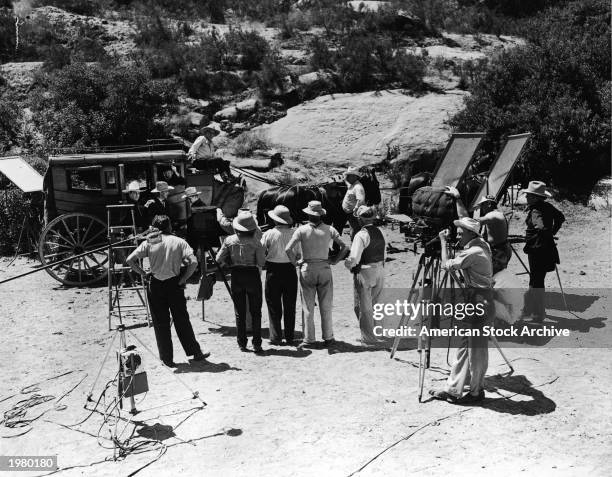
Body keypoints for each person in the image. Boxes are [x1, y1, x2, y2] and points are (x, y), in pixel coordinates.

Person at [126, 215, 209, 367]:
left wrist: (143, 274)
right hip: (174, 284)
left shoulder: (151, 241)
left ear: (154, 228)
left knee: (160, 322)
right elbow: (194, 262)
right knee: (182, 319)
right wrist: (184, 279)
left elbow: (129, 260)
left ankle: (167, 359)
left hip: (156, 284)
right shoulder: (179, 241)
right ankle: (195, 352)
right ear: (169, 226)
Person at [430, 217, 494, 405]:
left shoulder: (473, 252)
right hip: (482, 300)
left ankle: (471, 392)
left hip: (477, 302)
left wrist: (442, 241)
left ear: (470, 234)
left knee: (471, 349)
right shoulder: (482, 246)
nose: (457, 235)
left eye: (460, 232)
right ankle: (461, 388)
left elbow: (446, 265)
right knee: (471, 348)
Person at [285, 201, 348, 348]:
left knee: (308, 307)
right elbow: (345, 247)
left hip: (307, 267)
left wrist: (295, 262)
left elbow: (288, 249)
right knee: (326, 305)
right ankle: (328, 337)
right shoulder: (329, 229)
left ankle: (309, 339)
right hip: (324, 267)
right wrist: (335, 260)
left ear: (308, 213)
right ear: (321, 214)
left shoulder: (301, 230)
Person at [216, 211, 266, 353]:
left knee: (240, 312)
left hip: (237, 275)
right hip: (252, 275)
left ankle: (242, 343)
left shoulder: (229, 240)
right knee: (256, 312)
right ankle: (257, 343)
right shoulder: (257, 243)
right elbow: (261, 262)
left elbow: (219, 259)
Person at [521, 181, 565, 323]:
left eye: (528, 195)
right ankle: (529, 309)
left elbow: (539, 226)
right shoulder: (548, 206)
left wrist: (544, 233)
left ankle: (538, 314)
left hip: (537, 250)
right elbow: (560, 218)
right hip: (546, 249)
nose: (526, 198)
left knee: (536, 282)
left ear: (535, 197)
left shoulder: (535, 210)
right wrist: (552, 232)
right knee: (536, 280)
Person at [344, 206, 386, 345]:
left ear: (360, 219)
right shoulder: (381, 231)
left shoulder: (361, 235)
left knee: (363, 306)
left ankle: (368, 338)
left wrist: (348, 264)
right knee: (376, 304)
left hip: (365, 270)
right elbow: (384, 253)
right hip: (380, 268)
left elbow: (354, 258)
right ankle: (377, 333)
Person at [445, 187, 511, 274]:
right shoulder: (496, 214)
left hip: (498, 252)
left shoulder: (493, 215)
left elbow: (468, 222)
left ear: (488, 204)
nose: (481, 209)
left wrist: (458, 198)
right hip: (499, 250)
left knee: (488, 278)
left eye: (482, 205)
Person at [261, 205, 298, 346]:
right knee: (290, 304)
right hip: (290, 269)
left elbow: (262, 251)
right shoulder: (295, 233)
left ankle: (276, 336)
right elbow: (299, 253)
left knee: (273, 304)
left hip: (273, 270)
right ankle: (289, 336)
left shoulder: (269, 234)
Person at [342, 166, 366, 239]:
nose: (347, 177)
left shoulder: (358, 187)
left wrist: (355, 210)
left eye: (349, 176)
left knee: (355, 231)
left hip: (354, 214)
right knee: (353, 229)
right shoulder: (352, 185)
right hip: (351, 214)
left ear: (354, 177)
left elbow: (361, 200)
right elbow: (347, 183)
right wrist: (345, 178)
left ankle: (355, 247)